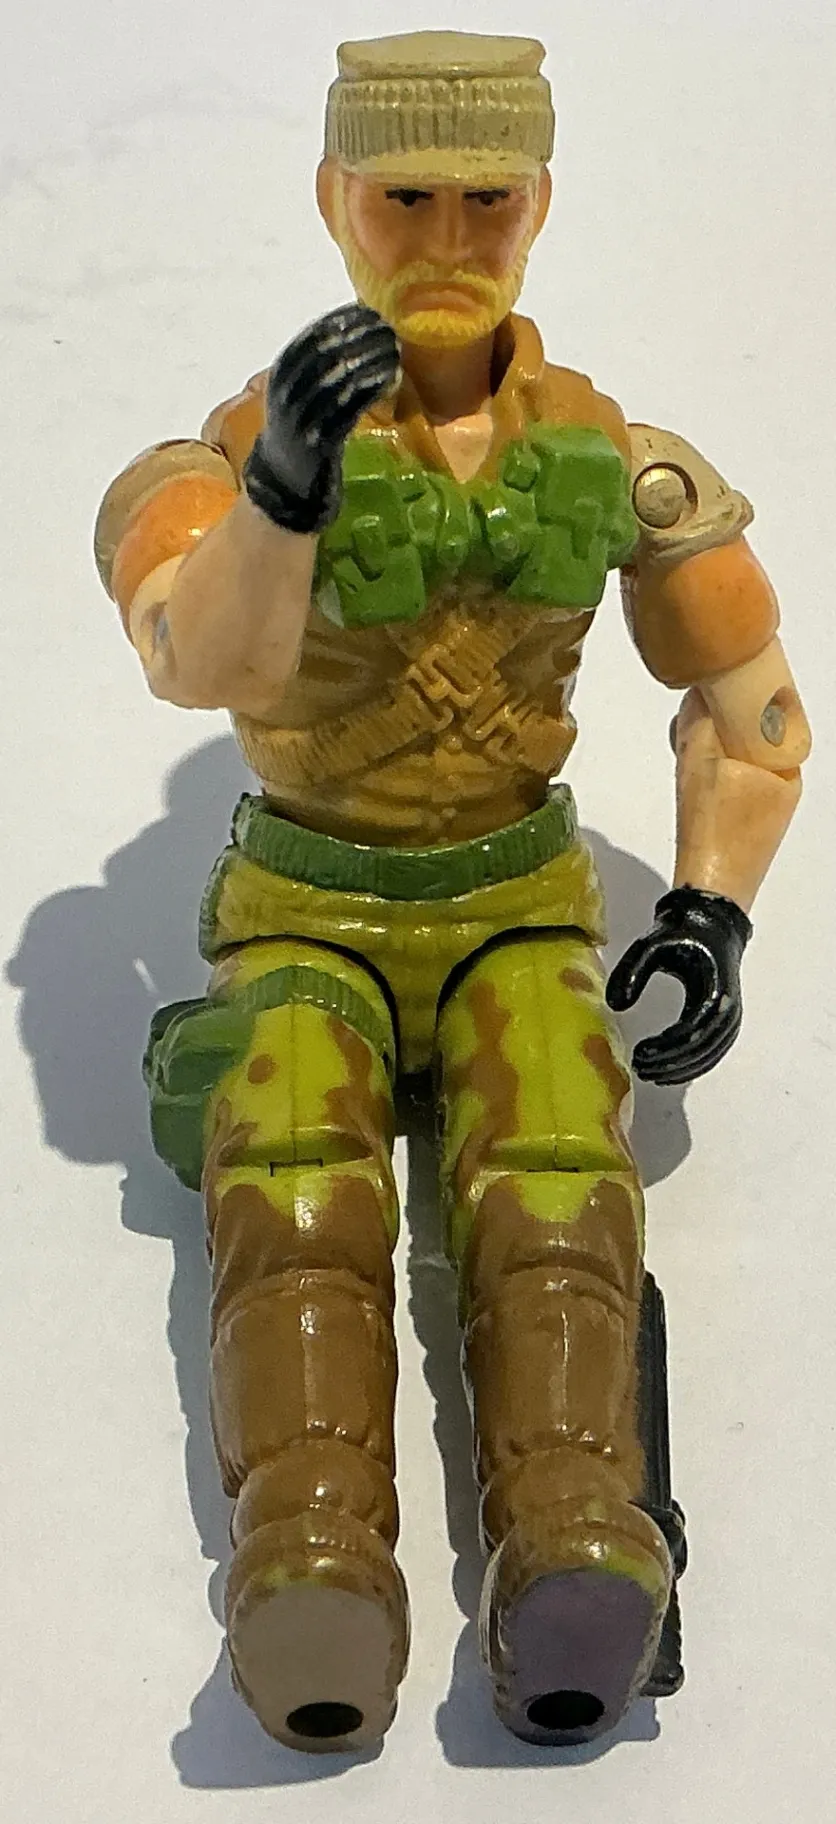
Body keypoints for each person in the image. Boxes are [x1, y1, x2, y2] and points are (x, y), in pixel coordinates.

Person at [95, 30, 810, 1755]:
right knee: (292, 1189)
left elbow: (749, 702)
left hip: (512, 901)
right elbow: (194, 657)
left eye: (486, 198)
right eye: (404, 195)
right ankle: (310, 1561)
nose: (447, 237)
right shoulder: (217, 464)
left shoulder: (616, 459)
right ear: (333, 198)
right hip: (304, 906)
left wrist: (711, 907)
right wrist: (285, 488)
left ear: (540, 203)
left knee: (561, 1179)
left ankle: (578, 1540)